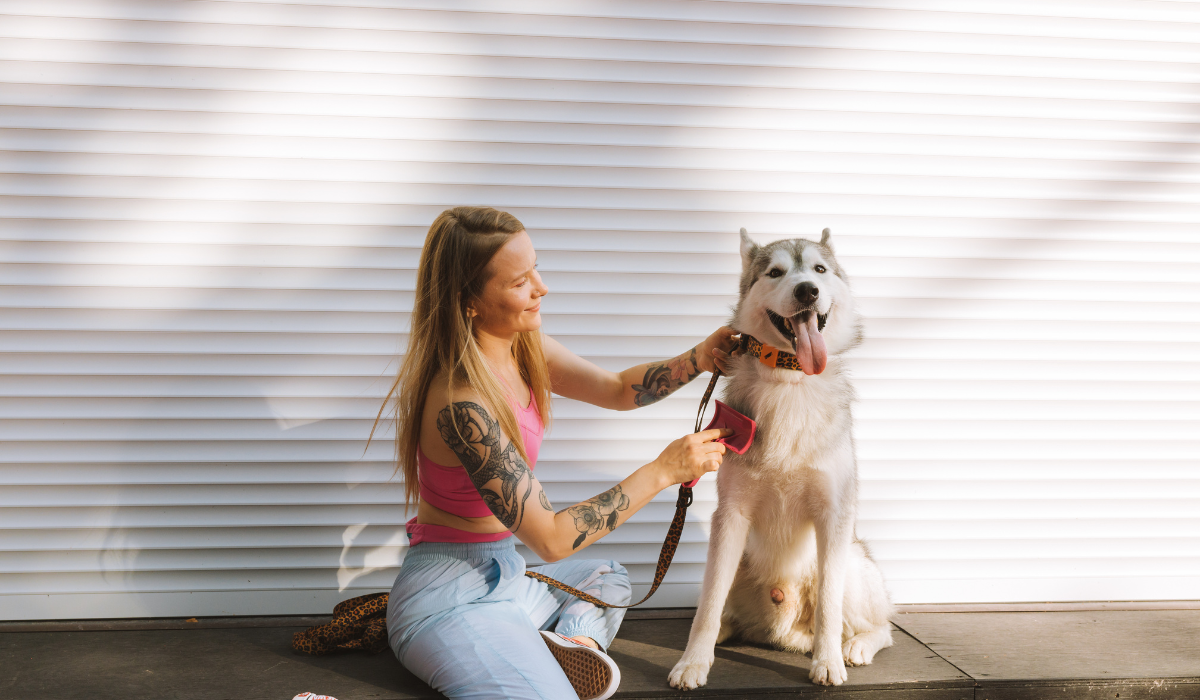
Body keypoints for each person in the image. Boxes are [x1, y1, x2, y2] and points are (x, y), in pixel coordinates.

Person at [378, 206, 738, 700]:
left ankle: (570, 645)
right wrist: (663, 471)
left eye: (536, 269)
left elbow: (616, 389)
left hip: (506, 574)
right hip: (450, 598)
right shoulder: (463, 404)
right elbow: (549, 539)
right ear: (469, 302)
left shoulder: (521, 347)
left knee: (607, 576)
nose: (541, 288)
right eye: (520, 281)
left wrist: (699, 357)